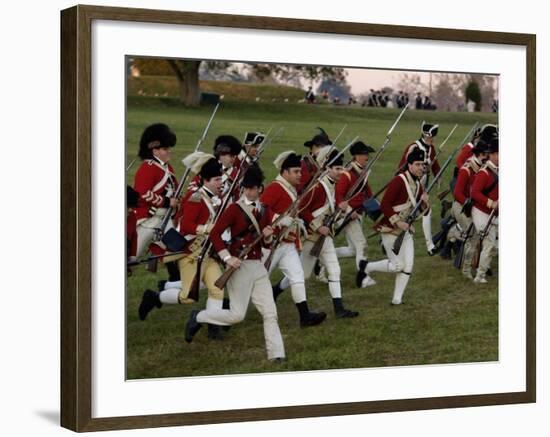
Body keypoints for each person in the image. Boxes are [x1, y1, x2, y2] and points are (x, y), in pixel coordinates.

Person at [184, 165, 286, 362]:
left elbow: (266, 243)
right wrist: (226, 257)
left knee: (270, 312)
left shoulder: (265, 210)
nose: (249, 191)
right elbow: (215, 233)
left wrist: (267, 237)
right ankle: (199, 317)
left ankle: (276, 354)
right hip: (238, 266)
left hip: (258, 265)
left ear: (260, 189)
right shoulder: (234, 209)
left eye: (253, 188)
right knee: (237, 315)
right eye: (246, 188)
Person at [138, 153, 227, 339]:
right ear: (207, 180)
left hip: (207, 254)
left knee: (217, 289)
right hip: (191, 254)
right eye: (218, 179)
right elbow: (186, 225)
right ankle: (155, 297)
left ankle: (212, 325)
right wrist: (206, 228)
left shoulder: (214, 198)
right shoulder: (196, 197)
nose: (221, 183)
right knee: (188, 296)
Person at [262, 151, 326, 327]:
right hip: (271, 244)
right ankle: (222, 313)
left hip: (287, 243)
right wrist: (282, 220)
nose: (300, 175)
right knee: (255, 282)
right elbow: (261, 212)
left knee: (297, 277)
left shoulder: (291, 188)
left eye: (300, 171)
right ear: (285, 172)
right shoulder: (275, 188)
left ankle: (304, 316)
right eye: (296, 171)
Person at [359, 148, 430, 305]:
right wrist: (398, 222)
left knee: (408, 266)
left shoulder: (418, 184)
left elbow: (424, 211)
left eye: (422, 165)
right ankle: (368, 267)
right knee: (397, 266)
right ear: (409, 165)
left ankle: (397, 299)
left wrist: (425, 201)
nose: (420, 168)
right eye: (417, 164)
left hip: (406, 230)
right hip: (391, 228)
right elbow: (385, 204)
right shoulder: (399, 180)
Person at [299, 148, 359, 318]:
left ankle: (339, 309)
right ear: (327, 169)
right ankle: (276, 291)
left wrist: (341, 210)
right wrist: (318, 227)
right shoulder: (318, 186)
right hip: (312, 236)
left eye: (342, 168)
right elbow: (303, 209)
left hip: (325, 237)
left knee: (334, 269)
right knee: (302, 274)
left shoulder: (333, 185)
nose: (341, 172)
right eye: (337, 169)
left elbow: (332, 208)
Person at [333, 141, 376, 288]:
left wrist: (375, 206)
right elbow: (338, 197)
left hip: (358, 213)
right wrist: (348, 210)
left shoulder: (361, 171)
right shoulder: (348, 173)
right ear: (356, 156)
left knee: (352, 249)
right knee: (361, 245)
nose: (367, 157)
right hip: (348, 215)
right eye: (364, 154)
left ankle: (325, 257)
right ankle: (363, 279)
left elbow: (367, 191)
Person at [132, 123, 179, 258]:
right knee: (131, 257)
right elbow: (142, 193)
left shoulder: (168, 168)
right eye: (165, 148)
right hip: (148, 220)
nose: (169, 150)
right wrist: (166, 202)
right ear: (155, 150)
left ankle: (173, 279)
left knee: (176, 252)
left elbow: (174, 190)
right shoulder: (148, 167)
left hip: (165, 219)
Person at [397, 122, 441, 255]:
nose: (433, 138)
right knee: (405, 211)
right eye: (431, 135)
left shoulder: (431, 148)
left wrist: (438, 176)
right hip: (409, 182)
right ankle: (391, 235)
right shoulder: (414, 146)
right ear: (426, 134)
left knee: (426, 210)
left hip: (422, 184)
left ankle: (430, 245)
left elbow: (434, 164)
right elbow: (402, 165)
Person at [450, 141, 490, 279]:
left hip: (473, 206)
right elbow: (457, 193)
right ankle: (466, 270)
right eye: (486, 154)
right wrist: (467, 203)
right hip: (461, 206)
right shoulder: (466, 169)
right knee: (473, 236)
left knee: (479, 234)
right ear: (479, 155)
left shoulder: (483, 168)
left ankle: (456, 232)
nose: (488, 157)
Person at [470, 137, 499, 283]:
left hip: (495, 214)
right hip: (481, 212)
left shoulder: (499, 170)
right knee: (489, 244)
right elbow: (474, 193)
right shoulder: (484, 172)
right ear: (493, 154)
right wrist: (491, 203)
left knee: (494, 246)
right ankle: (479, 275)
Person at [298, 128, 332, 193]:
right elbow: (298, 190)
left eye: (324, 148)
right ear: (311, 148)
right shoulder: (303, 165)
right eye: (318, 147)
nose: (321, 150)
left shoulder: (328, 164)